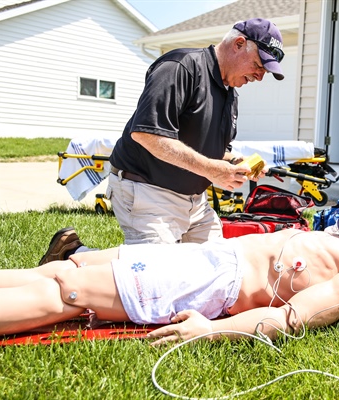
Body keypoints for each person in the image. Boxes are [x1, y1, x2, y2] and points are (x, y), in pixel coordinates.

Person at [38, 18, 286, 266]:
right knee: (155, 274)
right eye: (258, 65)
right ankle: (72, 254)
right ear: (239, 44)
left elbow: (208, 151)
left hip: (194, 201)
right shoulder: (180, 67)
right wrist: (211, 170)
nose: (260, 76)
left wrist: (234, 162)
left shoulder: (229, 92)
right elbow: (147, 134)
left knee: (217, 268)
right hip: (147, 189)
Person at [0, 229, 339, 344]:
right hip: (206, 256)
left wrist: (212, 329)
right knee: (60, 270)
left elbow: (291, 318)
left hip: (211, 281)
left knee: (67, 294)